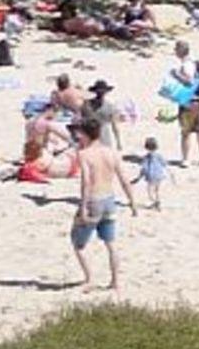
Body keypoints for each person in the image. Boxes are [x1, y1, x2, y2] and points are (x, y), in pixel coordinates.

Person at [68, 116, 137, 290]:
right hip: (109, 200)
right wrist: (132, 202)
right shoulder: (111, 152)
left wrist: (83, 207)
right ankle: (115, 281)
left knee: (78, 244)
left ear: (85, 134)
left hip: (94, 200)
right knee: (111, 243)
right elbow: (124, 180)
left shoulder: (84, 154)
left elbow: (86, 182)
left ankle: (89, 278)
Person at [168, 39, 199, 166]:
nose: (175, 51)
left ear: (181, 51)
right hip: (197, 100)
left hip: (188, 100)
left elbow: (189, 82)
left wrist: (176, 75)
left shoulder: (186, 65)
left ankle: (186, 159)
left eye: (176, 49)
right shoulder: (192, 63)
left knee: (186, 131)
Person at [138, 136, 169, 209]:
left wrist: (139, 176)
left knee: (150, 190)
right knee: (157, 190)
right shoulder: (159, 156)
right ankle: (158, 200)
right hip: (159, 175)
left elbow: (144, 168)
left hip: (151, 175)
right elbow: (165, 164)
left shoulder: (146, 157)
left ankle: (154, 201)